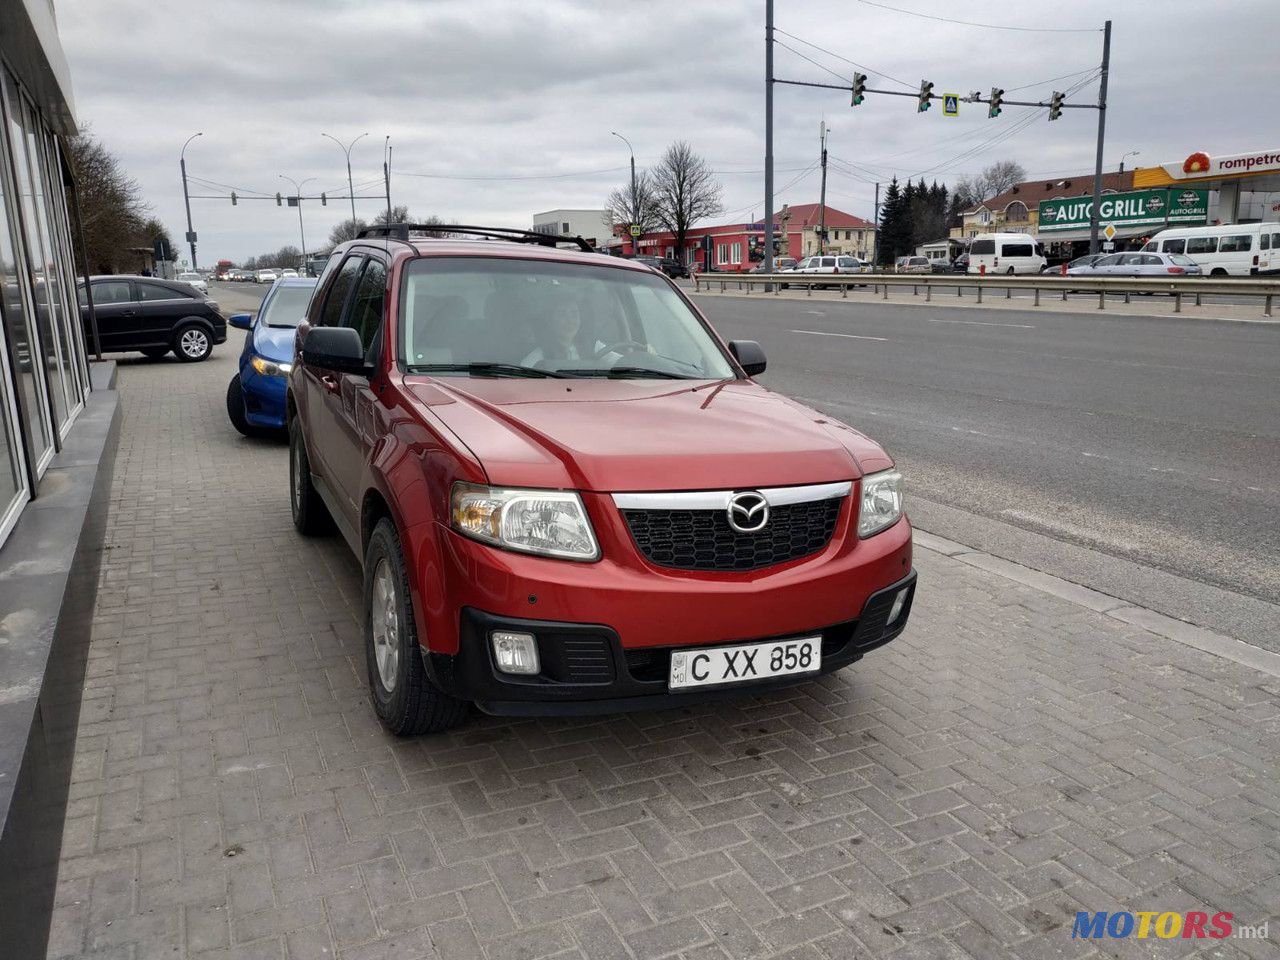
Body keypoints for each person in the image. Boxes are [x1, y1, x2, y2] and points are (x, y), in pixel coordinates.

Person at [521, 301, 604, 368]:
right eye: (562, 314)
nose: (570, 320)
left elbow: (616, 364)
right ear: (551, 321)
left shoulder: (594, 346)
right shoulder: (538, 357)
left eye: (574, 314)